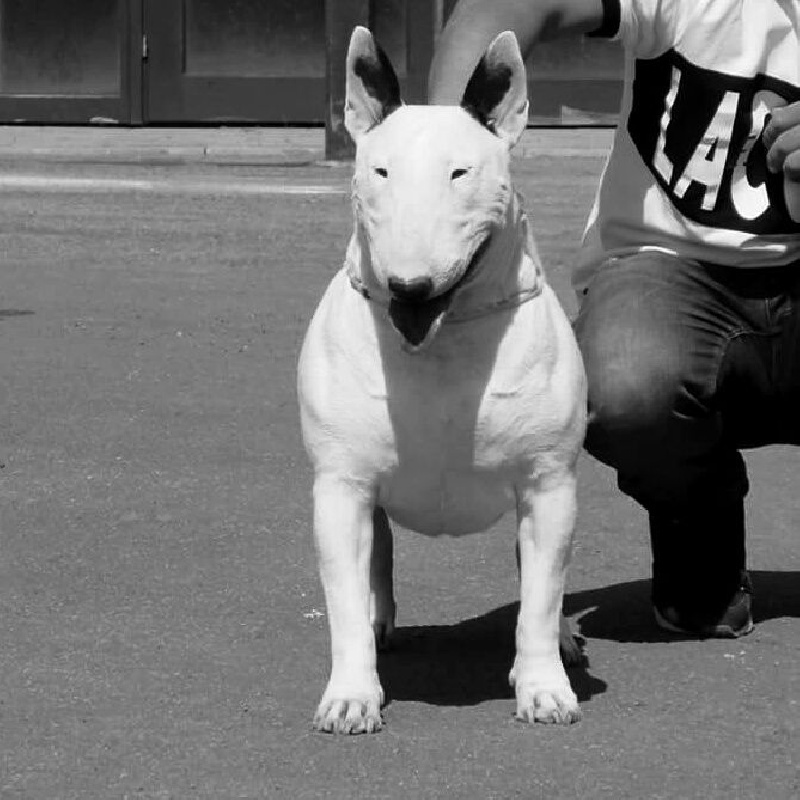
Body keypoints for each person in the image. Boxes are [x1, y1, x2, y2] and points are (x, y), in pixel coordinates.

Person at [429, 0, 800, 638]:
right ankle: (701, 534)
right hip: (673, 269)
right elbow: (506, 5)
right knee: (625, 383)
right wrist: (444, 159)